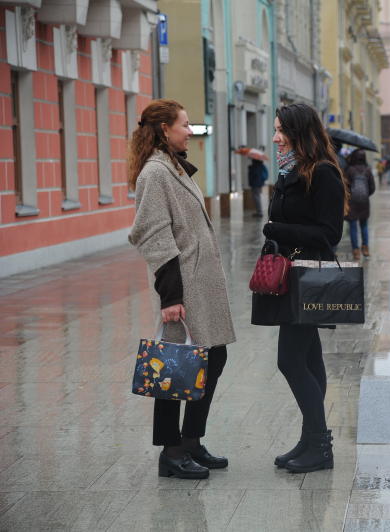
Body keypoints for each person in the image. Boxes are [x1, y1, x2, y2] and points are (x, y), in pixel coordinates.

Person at [128, 99, 236, 480]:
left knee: (212, 359)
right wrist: (171, 297)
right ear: (163, 130)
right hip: (183, 287)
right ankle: (171, 453)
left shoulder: (174, 168)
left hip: (199, 283)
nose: (190, 131)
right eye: (185, 125)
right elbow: (154, 237)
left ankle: (191, 441)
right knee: (174, 370)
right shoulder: (155, 174)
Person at [261, 103, 347, 473]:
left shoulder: (323, 173)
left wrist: (277, 231)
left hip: (307, 276)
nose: (276, 137)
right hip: (290, 275)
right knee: (310, 359)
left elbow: (330, 234)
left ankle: (320, 446)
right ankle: (310, 440)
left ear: (301, 133)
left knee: (290, 360)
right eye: (276, 129)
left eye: (282, 130)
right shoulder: (291, 170)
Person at [345, 149, 376, 260]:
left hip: (352, 202)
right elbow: (372, 187)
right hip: (364, 202)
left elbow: (346, 186)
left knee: (353, 226)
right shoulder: (368, 170)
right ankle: (365, 248)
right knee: (364, 225)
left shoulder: (350, 170)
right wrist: (366, 195)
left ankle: (356, 251)